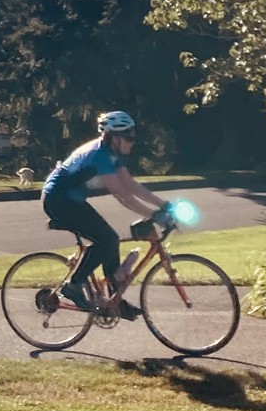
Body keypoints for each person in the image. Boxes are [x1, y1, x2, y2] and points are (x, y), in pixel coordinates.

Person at [40, 111, 172, 317]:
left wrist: (163, 205)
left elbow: (130, 185)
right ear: (115, 137)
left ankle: (114, 301)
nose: (133, 142)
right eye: (129, 137)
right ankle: (73, 285)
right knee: (107, 239)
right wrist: (155, 215)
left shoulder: (111, 153)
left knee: (111, 241)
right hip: (58, 200)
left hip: (72, 200)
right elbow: (122, 195)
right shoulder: (99, 155)